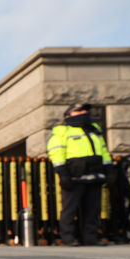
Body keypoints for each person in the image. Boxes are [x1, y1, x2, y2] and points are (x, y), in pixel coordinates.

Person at [47, 103, 112, 246]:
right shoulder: (62, 132)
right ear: (68, 115)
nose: (84, 112)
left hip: (95, 175)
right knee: (70, 209)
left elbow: (104, 152)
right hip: (73, 176)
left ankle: (90, 238)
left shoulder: (95, 131)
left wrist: (109, 169)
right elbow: (57, 153)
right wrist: (63, 174)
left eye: (86, 110)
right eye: (79, 111)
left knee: (93, 210)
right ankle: (67, 238)